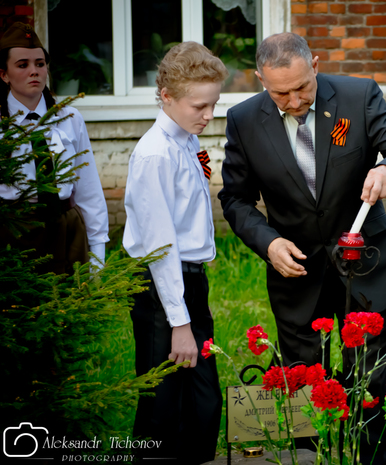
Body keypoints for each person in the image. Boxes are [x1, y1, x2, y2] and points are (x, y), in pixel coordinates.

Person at [218, 32, 386, 464]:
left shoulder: (358, 96)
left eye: (303, 87)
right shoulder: (243, 119)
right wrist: (269, 242)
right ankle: (308, 459)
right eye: (281, 93)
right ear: (260, 79)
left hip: (364, 268)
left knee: (368, 383)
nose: (295, 101)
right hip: (296, 274)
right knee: (301, 384)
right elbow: (235, 199)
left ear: (314, 64)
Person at [123, 42, 228, 464]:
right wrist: (178, 323)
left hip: (190, 281)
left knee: (203, 397)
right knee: (162, 402)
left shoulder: (186, 138)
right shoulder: (155, 155)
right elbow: (160, 247)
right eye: (199, 106)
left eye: (214, 104)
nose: (209, 115)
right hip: (161, 287)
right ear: (166, 96)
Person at [0, 22, 108, 275]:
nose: (34, 71)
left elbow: (88, 188)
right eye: (22, 65)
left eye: (40, 64)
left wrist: (97, 251)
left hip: (66, 232)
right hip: (12, 233)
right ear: (4, 74)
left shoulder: (69, 118)